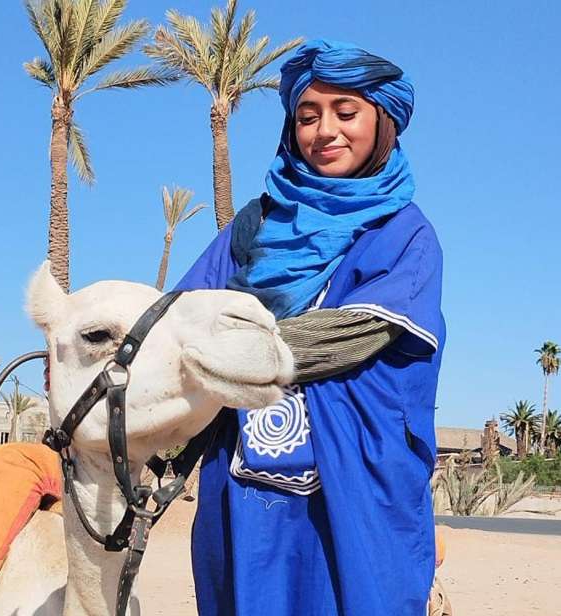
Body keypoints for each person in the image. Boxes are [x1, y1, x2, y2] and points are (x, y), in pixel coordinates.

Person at [173, 39, 445, 615]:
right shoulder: (254, 228)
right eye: (307, 115)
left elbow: (358, 332)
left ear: (383, 121)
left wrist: (241, 350)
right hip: (243, 484)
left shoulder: (404, 234)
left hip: (356, 485)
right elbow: (183, 319)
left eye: (346, 113)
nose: (325, 130)